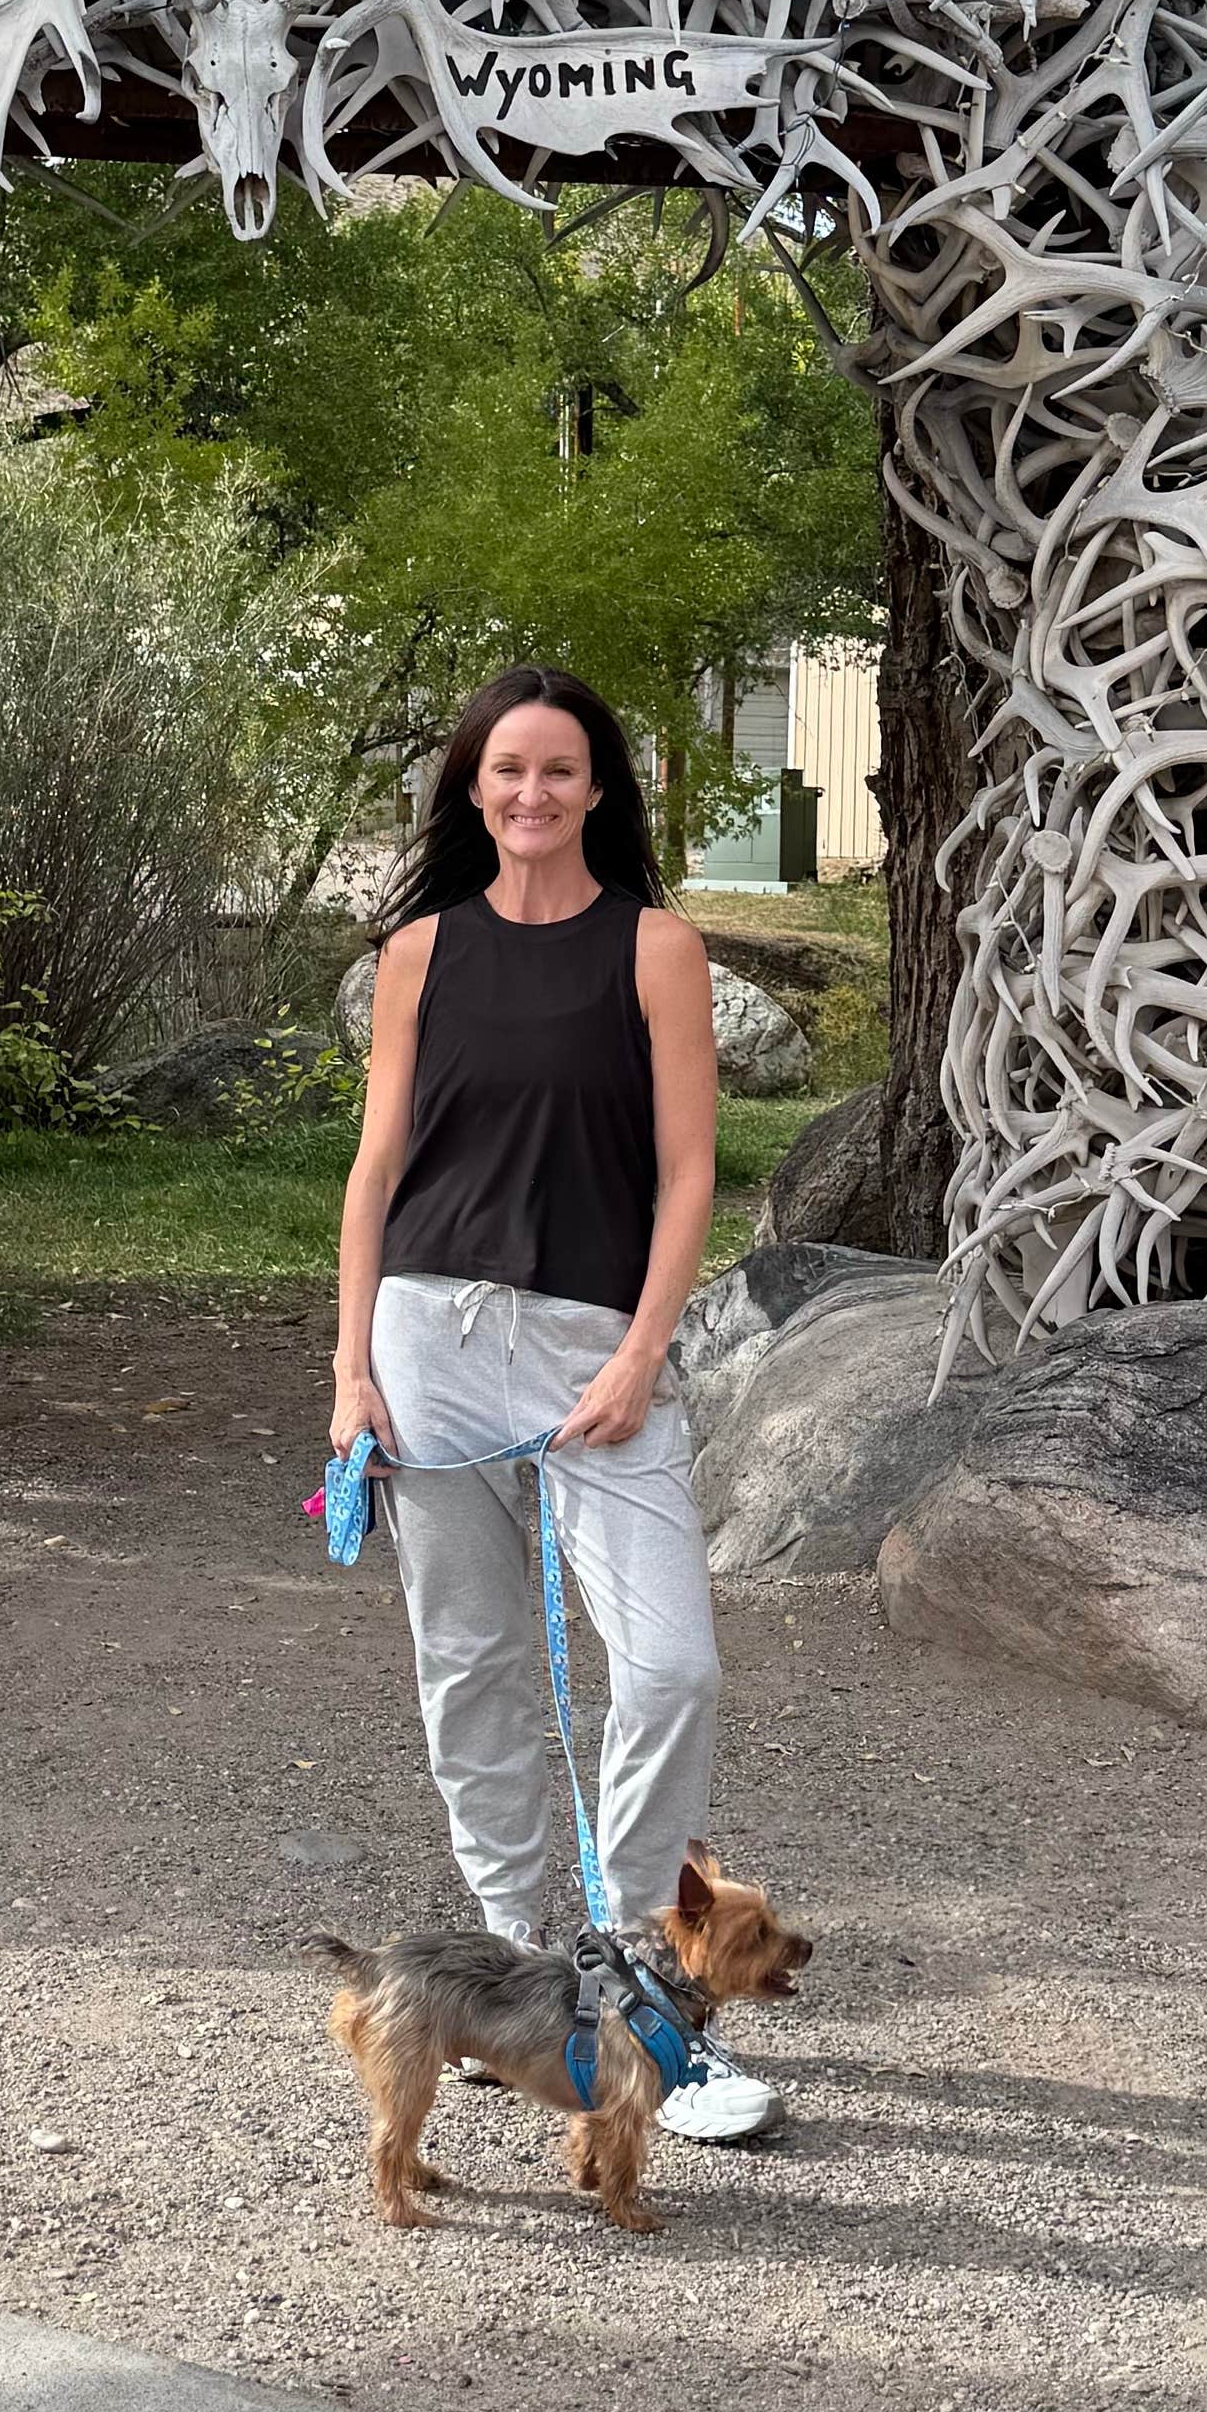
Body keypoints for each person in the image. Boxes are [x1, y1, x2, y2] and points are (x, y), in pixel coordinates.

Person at [331, 664, 784, 2150]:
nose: (533, 794)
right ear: (473, 787)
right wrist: (350, 1369)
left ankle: (644, 1979)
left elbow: (690, 1174)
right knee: (471, 1672)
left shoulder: (656, 947)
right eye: (507, 770)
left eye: (562, 771)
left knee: (671, 1667)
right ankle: (529, 1982)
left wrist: (645, 1353)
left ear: (601, 790)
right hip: (429, 1345)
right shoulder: (419, 953)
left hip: (602, 1349)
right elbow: (380, 1171)